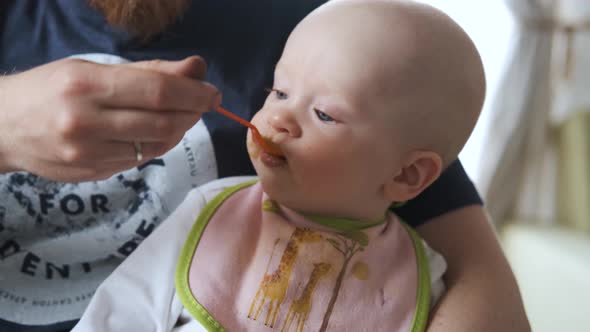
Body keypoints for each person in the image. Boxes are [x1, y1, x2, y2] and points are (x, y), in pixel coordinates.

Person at [0, 1, 530, 331]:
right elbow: (121, 312)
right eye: (277, 90)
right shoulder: (214, 212)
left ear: (407, 176)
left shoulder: (350, 41)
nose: (276, 117)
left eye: (323, 114)